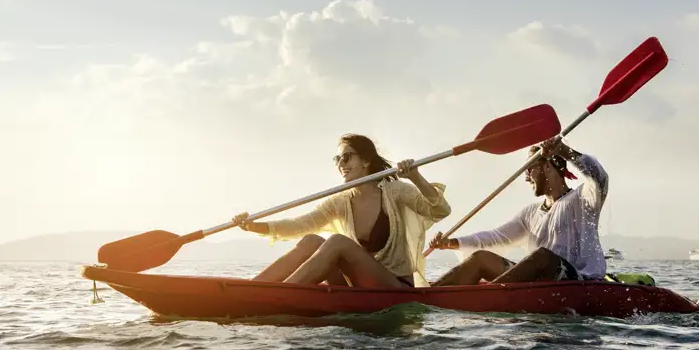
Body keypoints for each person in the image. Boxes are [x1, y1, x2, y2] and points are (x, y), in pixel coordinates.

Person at [231, 134, 452, 288]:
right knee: (311, 241)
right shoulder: (340, 201)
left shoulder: (396, 191)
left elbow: (440, 210)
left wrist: (415, 176)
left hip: (395, 285)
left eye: (347, 157)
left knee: (337, 242)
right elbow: (300, 225)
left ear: (366, 160)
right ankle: (249, 291)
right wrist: (252, 225)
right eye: (338, 159)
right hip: (359, 285)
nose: (341, 164)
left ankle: (275, 297)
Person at [429, 137, 608, 285]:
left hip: (581, 281)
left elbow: (599, 177)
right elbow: (495, 238)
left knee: (542, 256)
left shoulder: (583, 199)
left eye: (530, 169)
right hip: (542, 281)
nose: (526, 177)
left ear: (548, 166)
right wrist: (451, 243)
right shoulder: (530, 213)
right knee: (480, 258)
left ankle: (491, 296)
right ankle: (429, 294)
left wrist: (563, 150)